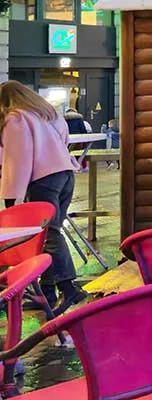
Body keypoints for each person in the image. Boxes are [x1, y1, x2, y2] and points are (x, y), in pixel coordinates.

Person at [0, 81, 84, 313]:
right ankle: (47, 292)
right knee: (47, 234)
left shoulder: (16, 118)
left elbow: (18, 158)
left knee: (49, 235)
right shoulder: (47, 113)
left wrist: (11, 198)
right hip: (65, 174)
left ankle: (68, 288)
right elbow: (64, 140)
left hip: (43, 178)